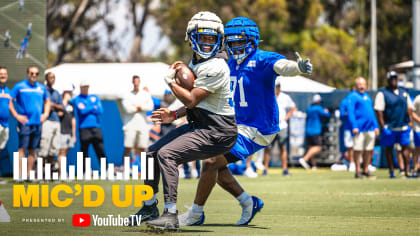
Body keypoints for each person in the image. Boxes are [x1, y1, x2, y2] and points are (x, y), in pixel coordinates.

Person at [178, 16, 312, 226]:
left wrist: (298, 67)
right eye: (232, 42)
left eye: (241, 41)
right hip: (234, 125)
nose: (236, 46)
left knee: (212, 161)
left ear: (253, 40)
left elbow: (283, 66)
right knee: (217, 166)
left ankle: (196, 214)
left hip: (258, 128)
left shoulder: (263, 59)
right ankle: (248, 203)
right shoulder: (227, 63)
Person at [129, 11, 237, 231]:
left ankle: (170, 215)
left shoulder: (216, 66)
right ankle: (149, 205)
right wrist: (174, 115)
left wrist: (171, 82)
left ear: (219, 39)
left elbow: (191, 99)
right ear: (191, 36)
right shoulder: (196, 62)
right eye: (203, 37)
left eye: (211, 38)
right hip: (202, 124)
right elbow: (197, 105)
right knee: (151, 153)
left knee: (167, 155)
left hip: (218, 131)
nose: (207, 43)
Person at [10, 65, 50, 179]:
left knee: (33, 150)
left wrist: (45, 114)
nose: (34, 76)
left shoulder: (41, 88)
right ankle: (19, 175)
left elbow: (47, 101)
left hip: (37, 124)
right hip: (25, 124)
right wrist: (17, 116)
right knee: (22, 148)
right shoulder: (19, 86)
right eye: (32, 73)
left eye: (36, 74)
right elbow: (10, 101)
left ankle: (28, 175)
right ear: (27, 74)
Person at [374, 71, 413, 178]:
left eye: (395, 78)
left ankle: (407, 171)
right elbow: (379, 111)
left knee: (406, 148)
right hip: (389, 127)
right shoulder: (383, 93)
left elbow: (409, 108)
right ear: (388, 80)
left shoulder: (403, 92)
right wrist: (383, 127)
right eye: (392, 79)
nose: (394, 81)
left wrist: (410, 121)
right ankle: (391, 171)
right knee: (389, 149)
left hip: (403, 126)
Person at [347, 77, 379, 178]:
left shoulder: (367, 96)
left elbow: (371, 112)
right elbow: (350, 112)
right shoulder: (352, 96)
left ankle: (365, 170)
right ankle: (357, 171)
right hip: (359, 128)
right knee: (358, 149)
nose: (362, 86)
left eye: (363, 84)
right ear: (356, 85)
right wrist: (354, 126)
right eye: (359, 84)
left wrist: (376, 126)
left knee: (369, 149)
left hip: (370, 128)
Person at [120, 75, 154, 171]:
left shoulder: (145, 94)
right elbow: (128, 109)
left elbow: (150, 106)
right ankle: (125, 169)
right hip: (130, 124)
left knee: (143, 148)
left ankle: (144, 170)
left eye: (138, 81)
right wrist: (142, 106)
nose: (136, 83)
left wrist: (137, 107)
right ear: (132, 82)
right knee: (128, 147)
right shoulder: (127, 94)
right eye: (135, 81)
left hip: (142, 124)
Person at [263, 82, 296, 176]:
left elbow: (293, 107)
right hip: (271, 127)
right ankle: (265, 169)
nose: (276, 88)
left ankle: (285, 169)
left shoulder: (285, 97)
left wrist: (286, 117)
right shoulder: (268, 95)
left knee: (283, 148)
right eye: (275, 86)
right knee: (268, 148)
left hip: (282, 126)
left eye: (277, 87)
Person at [72, 79, 106, 166]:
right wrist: (92, 107)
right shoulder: (77, 98)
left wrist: (87, 107)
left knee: (100, 149)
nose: (85, 88)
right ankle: (84, 171)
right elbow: (82, 111)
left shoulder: (95, 97)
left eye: (87, 87)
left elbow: (100, 110)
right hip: (84, 128)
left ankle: (105, 170)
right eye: (84, 87)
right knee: (84, 151)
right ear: (80, 88)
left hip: (96, 127)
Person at [38, 72, 63, 169]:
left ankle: (48, 171)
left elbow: (61, 107)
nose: (52, 79)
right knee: (44, 148)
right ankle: (40, 171)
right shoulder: (42, 90)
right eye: (50, 77)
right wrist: (50, 105)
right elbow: (42, 103)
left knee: (54, 149)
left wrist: (52, 105)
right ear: (46, 79)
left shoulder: (56, 93)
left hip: (56, 122)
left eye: (53, 77)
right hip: (46, 121)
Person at [299, 94, 330, 169]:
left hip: (308, 131)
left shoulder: (309, 108)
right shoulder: (318, 108)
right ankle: (304, 159)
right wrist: (326, 111)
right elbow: (327, 115)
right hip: (315, 130)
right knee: (318, 147)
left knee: (311, 148)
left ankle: (314, 165)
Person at [57, 84, 76, 176]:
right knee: (62, 152)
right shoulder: (60, 102)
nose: (70, 94)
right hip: (61, 131)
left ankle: (62, 171)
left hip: (69, 132)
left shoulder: (71, 104)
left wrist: (74, 134)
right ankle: (62, 173)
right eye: (68, 92)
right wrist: (64, 102)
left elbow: (73, 119)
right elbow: (59, 114)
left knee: (65, 152)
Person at [0, 66, 12, 184]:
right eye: (1, 74)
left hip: (5, 124)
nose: (3, 76)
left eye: (4, 74)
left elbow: (10, 107)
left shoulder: (8, 91)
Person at [339, 90, 355, 172]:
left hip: (361, 127)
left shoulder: (364, 98)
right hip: (348, 127)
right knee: (350, 146)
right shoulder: (345, 101)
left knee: (361, 146)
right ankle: (352, 163)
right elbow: (341, 115)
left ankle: (364, 164)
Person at [410, 94, 420, 177]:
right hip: (418, 128)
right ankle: (416, 168)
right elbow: (412, 112)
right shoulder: (418, 99)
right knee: (417, 148)